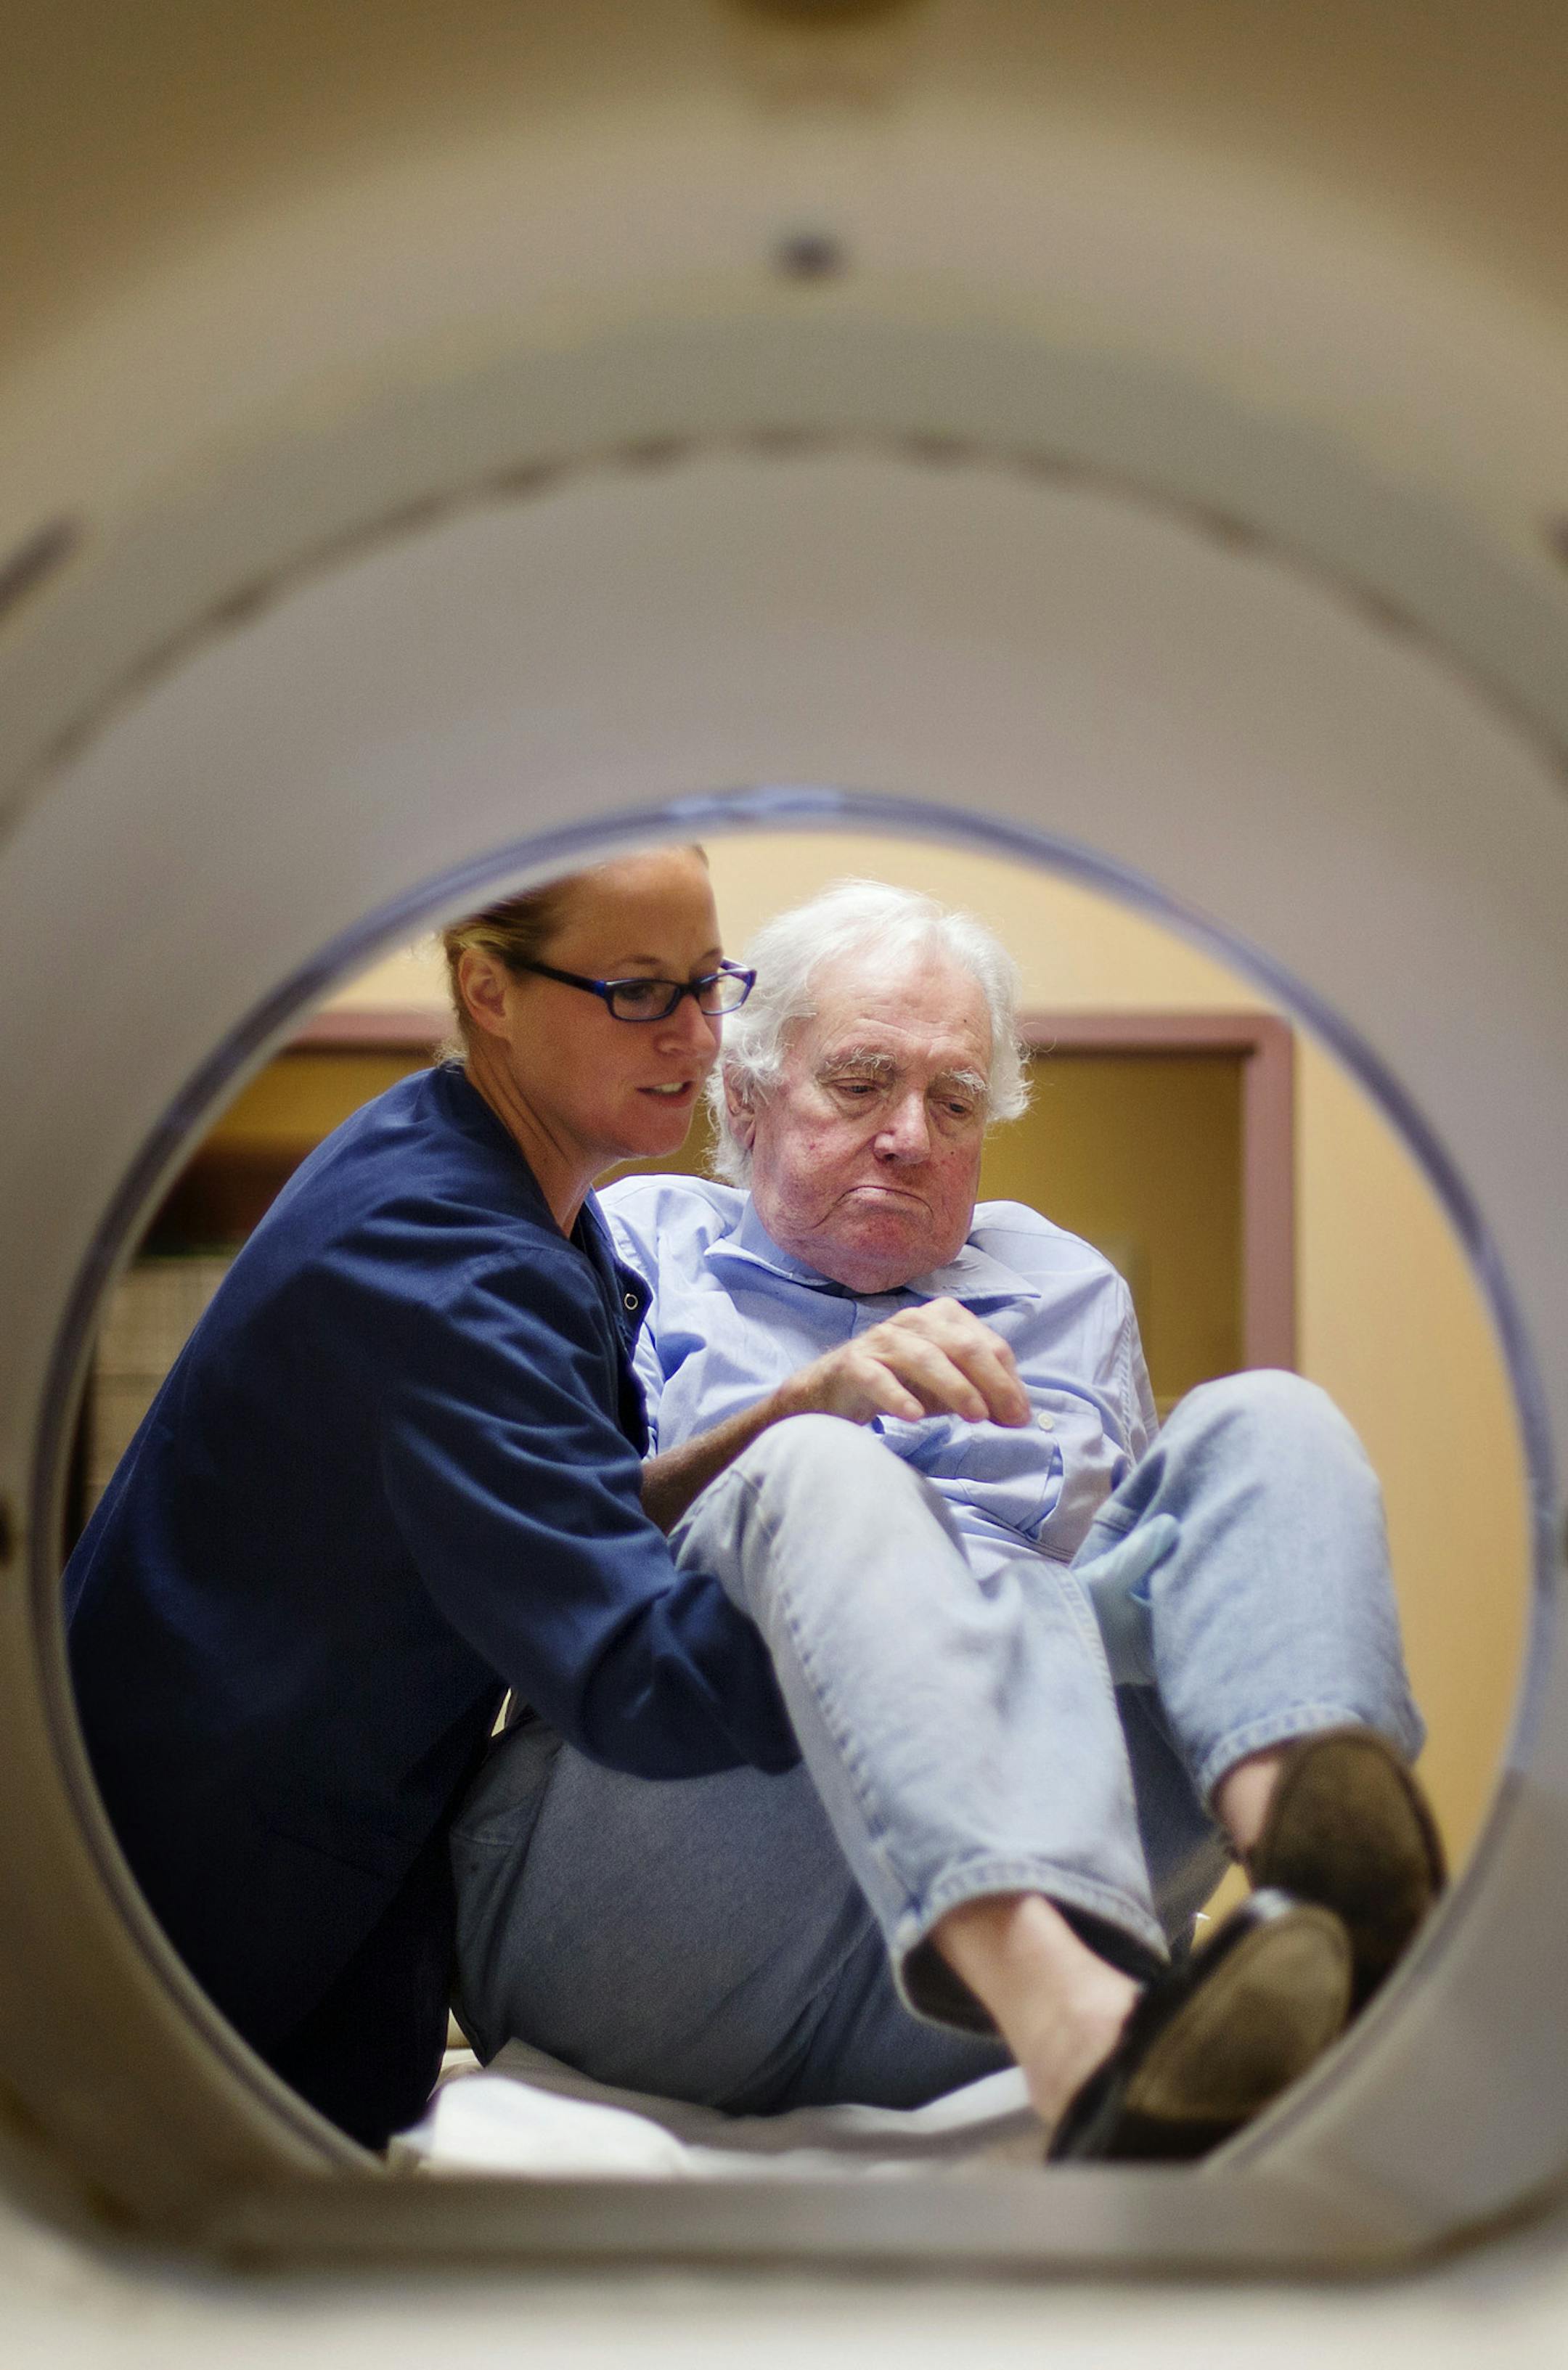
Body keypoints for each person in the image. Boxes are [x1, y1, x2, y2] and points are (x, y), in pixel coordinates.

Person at [453, 878, 1442, 2162]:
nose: (911, 1135)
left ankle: (1325, 1897)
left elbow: (1136, 1603)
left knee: (1269, 1424)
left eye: (954, 1100)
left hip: (957, 1975)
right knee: (822, 1470)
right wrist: (808, 1405)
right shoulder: (620, 1244)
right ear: (743, 1105)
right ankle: (1081, 2033)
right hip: (667, 1914)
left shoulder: (1069, 1286)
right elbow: (541, 1557)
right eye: (860, 1083)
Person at [65, 847, 804, 2149]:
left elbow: (557, 1494)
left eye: (707, 982)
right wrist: (920, 1656)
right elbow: (631, 1669)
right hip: (182, 1924)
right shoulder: (450, 1257)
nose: (695, 1035)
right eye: (638, 990)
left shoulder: (485, 1167)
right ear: (488, 985)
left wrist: (789, 1417)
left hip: (299, 1901)